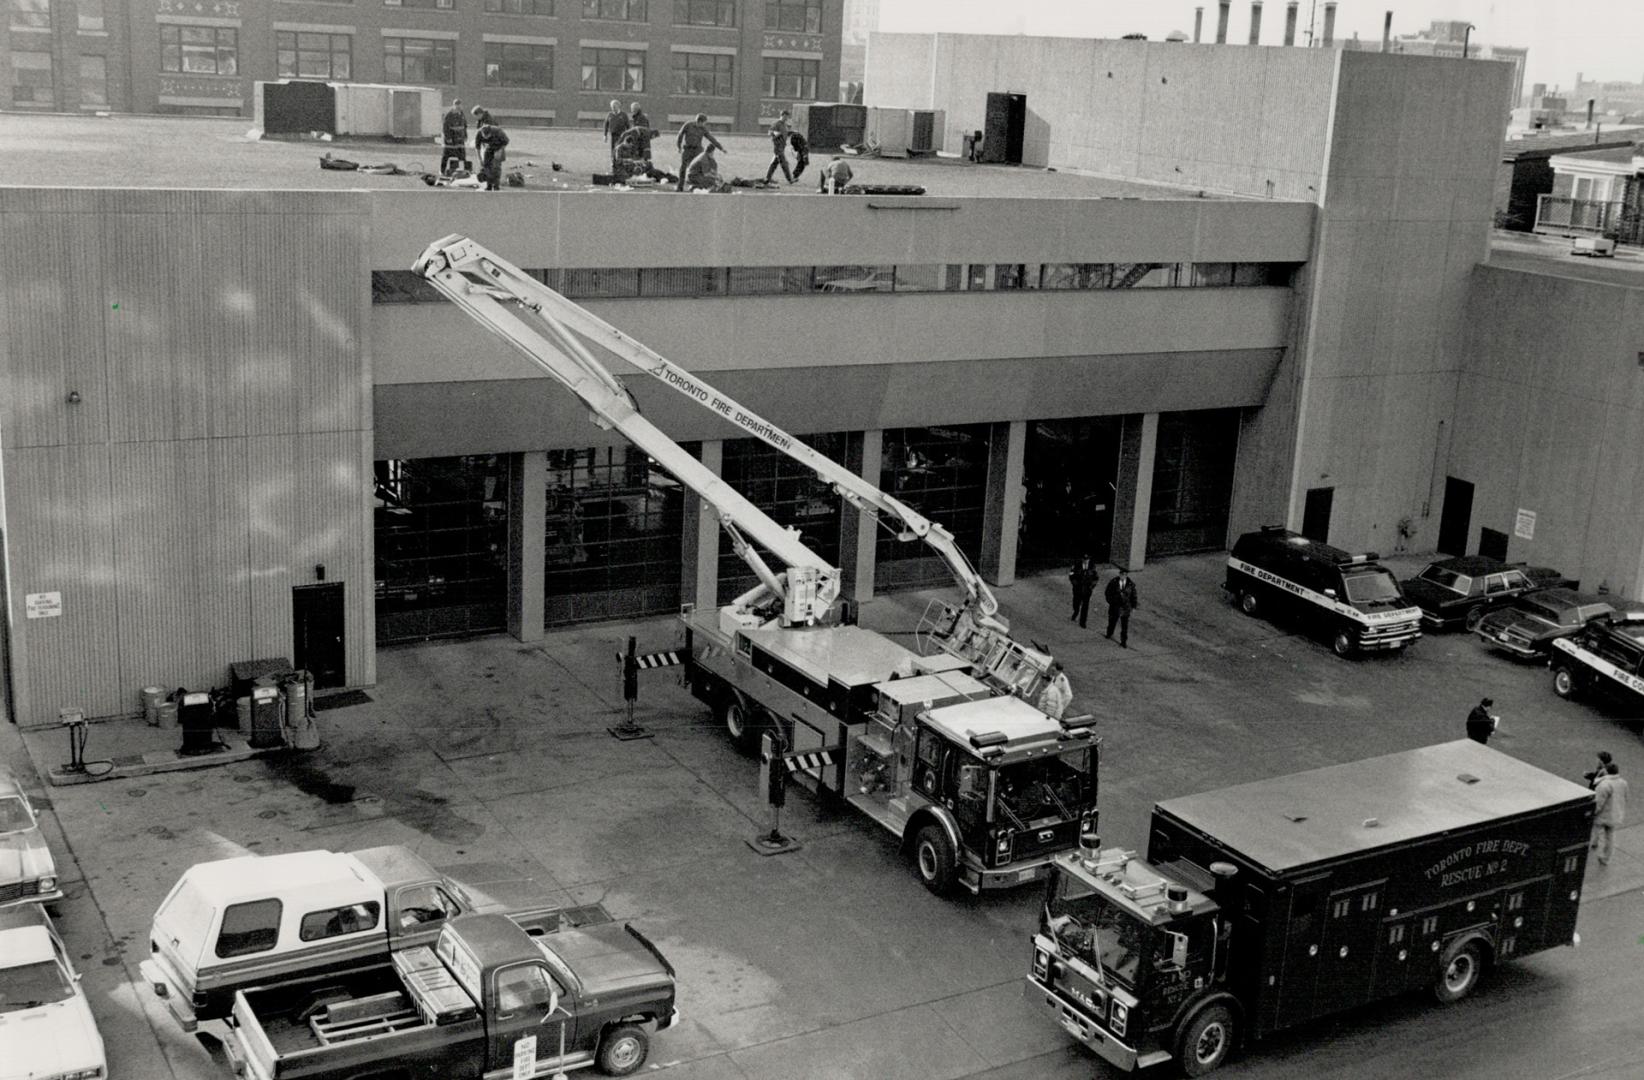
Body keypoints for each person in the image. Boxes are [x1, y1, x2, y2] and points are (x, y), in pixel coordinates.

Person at [1591, 761, 1627, 865]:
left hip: (1603, 814)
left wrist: (1594, 812)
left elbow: (1599, 802)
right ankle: (1605, 858)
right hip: (1616, 814)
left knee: (1595, 829)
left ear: (1607, 772)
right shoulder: (1623, 782)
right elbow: (1625, 797)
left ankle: (1593, 843)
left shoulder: (1604, 784)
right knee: (1610, 837)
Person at [675, 114, 724, 191]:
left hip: (697, 149)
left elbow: (711, 138)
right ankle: (680, 186)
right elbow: (680, 134)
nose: (704, 124)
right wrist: (679, 146)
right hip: (687, 149)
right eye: (704, 122)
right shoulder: (688, 125)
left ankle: (698, 185)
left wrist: (721, 148)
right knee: (683, 167)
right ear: (700, 121)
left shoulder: (703, 129)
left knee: (699, 167)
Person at [472, 108, 509, 191]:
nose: (486, 138)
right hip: (488, 148)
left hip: (499, 147)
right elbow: (477, 147)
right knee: (486, 166)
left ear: (491, 133)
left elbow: (506, 141)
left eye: (488, 136)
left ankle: (496, 186)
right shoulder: (479, 134)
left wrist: (499, 151)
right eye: (484, 137)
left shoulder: (498, 131)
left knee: (496, 167)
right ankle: (488, 185)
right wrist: (480, 159)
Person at [1105, 569, 1139, 647]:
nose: (1122, 576)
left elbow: (1134, 596)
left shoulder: (1130, 584)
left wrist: (1134, 606)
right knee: (1112, 621)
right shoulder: (1113, 582)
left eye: (1124, 574)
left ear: (1126, 575)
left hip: (1125, 607)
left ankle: (1123, 641)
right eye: (1121, 574)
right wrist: (1111, 602)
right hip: (1115, 606)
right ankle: (1109, 633)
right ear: (1119, 574)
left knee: (1124, 625)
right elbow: (1107, 592)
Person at [764, 109, 795, 185]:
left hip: (782, 147)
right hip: (778, 147)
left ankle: (767, 178)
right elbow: (770, 132)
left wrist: (792, 133)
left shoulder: (784, 125)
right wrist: (776, 133)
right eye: (786, 116)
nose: (787, 118)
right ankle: (790, 179)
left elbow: (785, 134)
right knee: (784, 163)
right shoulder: (777, 123)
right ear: (783, 115)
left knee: (774, 164)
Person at [440, 97, 468, 176]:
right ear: (453, 105)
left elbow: (464, 126)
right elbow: (445, 127)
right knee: (446, 156)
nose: (458, 107)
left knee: (461, 156)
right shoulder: (449, 115)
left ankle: (463, 171)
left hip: (460, 140)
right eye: (456, 105)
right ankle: (442, 170)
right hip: (451, 140)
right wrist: (448, 138)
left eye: (459, 105)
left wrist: (465, 135)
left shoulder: (461, 114)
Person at [1069, 554, 1098, 629]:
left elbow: (1096, 578)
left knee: (1085, 606)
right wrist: (1075, 584)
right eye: (1084, 559)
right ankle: (1076, 611)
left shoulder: (1092, 566)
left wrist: (1091, 586)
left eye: (1087, 559)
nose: (1085, 561)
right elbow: (1071, 575)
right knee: (1076, 603)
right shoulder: (1076, 565)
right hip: (1078, 588)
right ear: (1082, 559)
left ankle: (1083, 622)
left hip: (1087, 590)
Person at [602, 99, 630, 169]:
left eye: (614, 106)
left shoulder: (623, 115)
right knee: (613, 149)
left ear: (618, 106)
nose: (613, 108)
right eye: (612, 106)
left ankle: (621, 163)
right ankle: (613, 163)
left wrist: (628, 135)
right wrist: (605, 135)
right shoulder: (610, 115)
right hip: (613, 135)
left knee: (620, 149)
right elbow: (606, 125)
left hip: (621, 135)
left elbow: (628, 126)